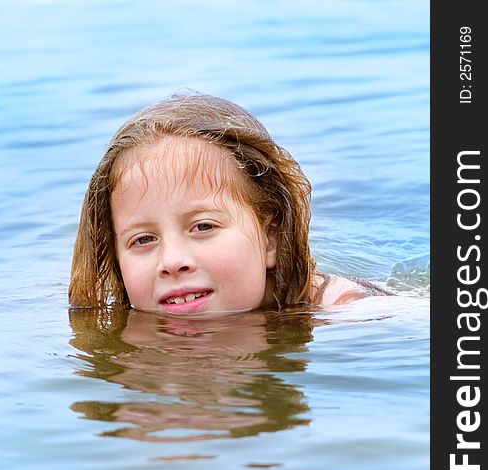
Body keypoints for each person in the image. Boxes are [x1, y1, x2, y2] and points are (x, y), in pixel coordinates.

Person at [69, 91, 388, 314]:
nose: (172, 261)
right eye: (143, 239)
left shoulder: (344, 306)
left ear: (270, 238)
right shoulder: (124, 326)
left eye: (203, 226)